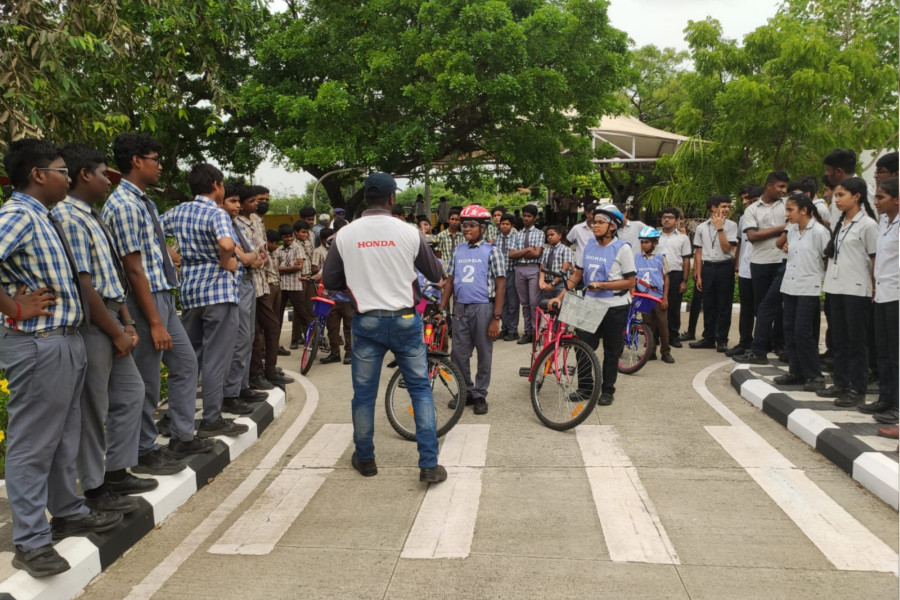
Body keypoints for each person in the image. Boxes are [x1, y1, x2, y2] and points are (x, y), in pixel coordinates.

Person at [1, 139, 123, 577]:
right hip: (39, 341)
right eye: (61, 170)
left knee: (63, 436)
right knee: (33, 444)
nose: (68, 178)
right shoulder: (17, 215)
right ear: (38, 174)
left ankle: (68, 511)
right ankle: (31, 541)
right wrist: (14, 307)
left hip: (64, 339)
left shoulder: (44, 217)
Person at [322, 172, 447, 483]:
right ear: (392, 198)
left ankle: (365, 459)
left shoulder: (345, 235)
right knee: (419, 390)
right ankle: (428, 464)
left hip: (366, 322)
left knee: (364, 395)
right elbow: (435, 274)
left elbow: (330, 280)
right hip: (405, 321)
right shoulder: (409, 232)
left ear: (365, 197)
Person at [102, 133, 210, 473]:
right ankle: (144, 450)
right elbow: (133, 270)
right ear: (136, 161)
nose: (160, 166)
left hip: (162, 295)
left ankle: (182, 436)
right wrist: (154, 322)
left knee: (186, 364)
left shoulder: (143, 201)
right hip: (143, 301)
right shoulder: (123, 205)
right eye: (155, 159)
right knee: (147, 379)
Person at [53, 143, 150, 519]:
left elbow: (111, 275)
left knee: (130, 393)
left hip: (112, 316)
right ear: (83, 175)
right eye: (103, 174)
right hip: (94, 324)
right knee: (93, 409)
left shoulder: (91, 215)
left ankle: (116, 472)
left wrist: (127, 321)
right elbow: (85, 285)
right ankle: (95, 489)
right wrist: (115, 330)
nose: (109, 181)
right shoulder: (69, 217)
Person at [160, 164, 246, 437]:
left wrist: (176, 257)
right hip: (219, 293)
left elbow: (152, 232)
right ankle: (211, 418)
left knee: (190, 359)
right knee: (216, 360)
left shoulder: (179, 211)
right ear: (217, 185)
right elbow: (226, 244)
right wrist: (225, 262)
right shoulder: (216, 213)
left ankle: (173, 416)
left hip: (190, 292)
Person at [550, 204, 635, 406]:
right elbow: (577, 274)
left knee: (611, 350)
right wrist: (560, 297)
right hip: (590, 304)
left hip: (615, 306)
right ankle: (585, 388)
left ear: (612, 226)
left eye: (600, 222)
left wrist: (603, 285)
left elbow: (630, 282)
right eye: (594, 222)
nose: (595, 226)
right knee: (582, 346)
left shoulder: (622, 248)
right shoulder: (588, 245)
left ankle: (608, 390)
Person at [816, 177, 878, 407]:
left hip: (857, 290)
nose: (836, 200)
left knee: (856, 342)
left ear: (857, 196)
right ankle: (840, 383)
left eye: (841, 195)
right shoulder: (841, 222)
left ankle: (857, 388)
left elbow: (875, 259)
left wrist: (875, 288)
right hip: (835, 287)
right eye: (835, 195)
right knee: (839, 339)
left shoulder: (868, 225)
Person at [439, 205, 506, 415]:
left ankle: (480, 394)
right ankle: (466, 390)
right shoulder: (458, 250)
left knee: (484, 353)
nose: (466, 229)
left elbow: (501, 286)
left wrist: (496, 317)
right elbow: (450, 281)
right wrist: (441, 308)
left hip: (484, 307)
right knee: (458, 354)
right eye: (464, 225)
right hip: (461, 308)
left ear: (483, 228)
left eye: (471, 225)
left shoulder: (492, 251)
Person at [772, 192, 830, 390]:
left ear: (804, 210)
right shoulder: (792, 230)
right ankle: (795, 372)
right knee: (789, 329)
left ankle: (814, 375)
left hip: (808, 287)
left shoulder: (819, 232)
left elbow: (827, 259)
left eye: (790, 209)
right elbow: (786, 251)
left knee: (803, 331)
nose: (787, 214)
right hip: (790, 286)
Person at [733, 171, 790, 362]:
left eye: (785, 187)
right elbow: (752, 236)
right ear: (769, 186)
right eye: (780, 186)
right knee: (761, 307)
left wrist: (766, 232)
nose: (783, 190)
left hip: (782, 261)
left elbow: (794, 226)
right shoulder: (752, 210)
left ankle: (778, 344)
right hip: (760, 263)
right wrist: (783, 228)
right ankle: (761, 347)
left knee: (778, 305)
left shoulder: (787, 204)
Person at [219, 183, 268, 408]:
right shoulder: (223, 225)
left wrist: (253, 256)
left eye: (239, 201)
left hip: (248, 282)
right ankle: (231, 392)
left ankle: (242, 385)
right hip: (235, 283)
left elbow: (257, 257)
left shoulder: (236, 225)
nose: (238, 206)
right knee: (238, 340)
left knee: (247, 338)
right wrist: (253, 256)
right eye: (233, 201)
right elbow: (250, 258)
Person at [860, 177, 898, 424]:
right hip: (883, 294)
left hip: (897, 296)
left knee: (896, 353)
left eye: (881, 198)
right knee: (883, 351)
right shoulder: (884, 221)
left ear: (897, 199)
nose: (875, 202)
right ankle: (886, 398)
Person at [690, 195, 738, 352]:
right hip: (708, 268)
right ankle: (709, 337)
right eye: (723, 206)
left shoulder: (731, 226)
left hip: (725, 267)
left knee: (724, 305)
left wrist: (720, 228)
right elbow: (698, 251)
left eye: (728, 207)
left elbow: (726, 248)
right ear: (713, 208)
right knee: (708, 304)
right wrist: (699, 274)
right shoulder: (701, 227)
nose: (727, 209)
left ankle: (722, 339)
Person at [727, 184, 763, 356]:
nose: (746, 202)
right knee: (746, 308)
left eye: (751, 199)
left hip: (762, 267)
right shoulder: (744, 218)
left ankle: (763, 342)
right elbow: (741, 242)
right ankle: (744, 341)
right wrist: (737, 263)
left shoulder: (768, 216)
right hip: (745, 269)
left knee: (762, 309)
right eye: (745, 199)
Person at [635, 227, 673, 363]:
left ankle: (665, 352)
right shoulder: (637, 258)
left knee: (663, 325)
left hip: (658, 297)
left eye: (646, 242)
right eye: (642, 242)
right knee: (648, 325)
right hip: (644, 298)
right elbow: (634, 277)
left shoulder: (660, 257)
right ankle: (650, 352)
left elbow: (666, 278)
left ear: (654, 243)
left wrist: (665, 298)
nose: (644, 245)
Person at [656, 207, 692, 348]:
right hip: (657, 274)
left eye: (670, 217)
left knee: (674, 307)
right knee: (656, 306)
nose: (666, 220)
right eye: (664, 217)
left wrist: (684, 280)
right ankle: (655, 336)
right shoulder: (655, 236)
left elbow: (686, 260)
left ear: (676, 220)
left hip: (675, 274)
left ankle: (673, 336)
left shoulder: (683, 238)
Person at [509, 204, 544, 344]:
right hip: (519, 268)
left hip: (533, 268)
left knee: (534, 302)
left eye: (529, 216)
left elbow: (537, 254)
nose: (526, 218)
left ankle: (536, 333)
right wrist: (528, 250)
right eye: (524, 216)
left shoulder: (539, 233)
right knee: (524, 303)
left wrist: (521, 253)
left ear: (534, 218)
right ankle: (527, 332)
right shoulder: (517, 235)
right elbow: (511, 255)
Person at [275, 223, 305, 350]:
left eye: (290, 236)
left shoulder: (298, 248)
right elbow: (275, 269)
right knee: (277, 316)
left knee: (303, 314)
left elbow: (299, 267)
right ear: (281, 238)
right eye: (286, 237)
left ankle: (311, 340)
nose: (289, 239)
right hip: (282, 286)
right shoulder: (278, 250)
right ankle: (275, 344)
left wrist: (283, 269)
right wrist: (291, 268)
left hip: (295, 285)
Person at [496, 213, 520, 341]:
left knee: (513, 302)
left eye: (507, 224)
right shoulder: (497, 238)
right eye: (503, 224)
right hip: (500, 273)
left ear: (512, 226)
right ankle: (504, 328)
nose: (504, 226)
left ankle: (513, 330)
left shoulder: (516, 238)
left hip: (512, 271)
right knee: (502, 302)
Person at [539, 224, 573, 300]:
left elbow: (564, 269)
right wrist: (541, 281)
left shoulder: (566, 250)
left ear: (559, 236)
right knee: (546, 305)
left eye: (552, 234)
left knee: (559, 305)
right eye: (548, 236)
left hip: (560, 284)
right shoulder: (546, 250)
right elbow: (542, 266)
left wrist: (553, 283)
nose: (549, 237)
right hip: (547, 283)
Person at [566, 200, 597, 269]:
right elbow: (567, 244)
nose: (596, 217)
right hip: (580, 266)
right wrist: (570, 261)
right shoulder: (577, 229)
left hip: (597, 266)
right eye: (593, 214)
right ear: (587, 214)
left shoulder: (604, 230)